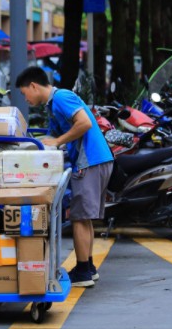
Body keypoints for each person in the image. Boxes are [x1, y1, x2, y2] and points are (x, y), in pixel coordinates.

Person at [16, 67, 114, 288]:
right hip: (97, 160)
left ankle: (82, 271)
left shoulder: (61, 97)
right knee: (85, 217)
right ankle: (87, 267)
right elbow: (51, 137)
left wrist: (60, 140)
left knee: (79, 217)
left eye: (24, 93)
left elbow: (85, 123)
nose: (26, 98)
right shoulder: (53, 105)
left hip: (89, 161)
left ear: (34, 86)